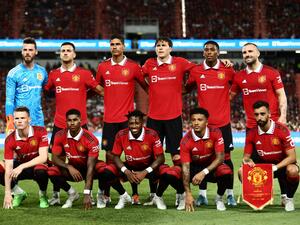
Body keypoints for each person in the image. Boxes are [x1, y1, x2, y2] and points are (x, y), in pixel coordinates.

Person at [45, 42, 103, 204]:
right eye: (63, 51)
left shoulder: (84, 74)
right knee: (55, 160)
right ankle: (57, 195)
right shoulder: (54, 74)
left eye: (68, 51)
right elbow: (45, 89)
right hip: (59, 124)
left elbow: (100, 90)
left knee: (86, 161)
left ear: (74, 54)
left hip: (80, 124)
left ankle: (88, 193)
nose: (65, 53)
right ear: (60, 54)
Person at [96, 34, 147, 205]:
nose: (115, 47)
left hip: (127, 120)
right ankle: (107, 194)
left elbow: (146, 85)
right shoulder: (103, 67)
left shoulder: (133, 67)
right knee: (109, 158)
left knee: (132, 157)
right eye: (112, 44)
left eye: (118, 44)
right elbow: (97, 86)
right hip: (109, 120)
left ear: (123, 47)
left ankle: (135, 195)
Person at [142, 37, 195, 202]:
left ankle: (181, 193)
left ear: (170, 48)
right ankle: (153, 195)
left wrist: (187, 88)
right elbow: (136, 75)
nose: (160, 48)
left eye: (163, 45)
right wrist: (147, 88)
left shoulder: (180, 62)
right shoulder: (149, 64)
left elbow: (198, 71)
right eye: (158, 45)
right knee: (152, 157)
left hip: (173, 117)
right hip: (154, 118)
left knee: (177, 157)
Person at [186, 40, 236, 206]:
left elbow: (238, 85)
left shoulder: (228, 70)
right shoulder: (196, 71)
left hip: (222, 123)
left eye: (212, 49)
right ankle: (202, 195)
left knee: (226, 159)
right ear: (203, 53)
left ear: (218, 52)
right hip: (203, 125)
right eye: (206, 49)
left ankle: (229, 194)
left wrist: (227, 100)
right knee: (202, 159)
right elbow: (186, 88)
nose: (209, 52)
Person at [97, 110, 173, 210]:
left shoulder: (152, 134)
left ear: (142, 123)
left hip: (148, 167)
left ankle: (157, 196)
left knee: (167, 172)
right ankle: (123, 195)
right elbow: (115, 156)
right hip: (130, 166)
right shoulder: (121, 134)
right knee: (106, 171)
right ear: (128, 123)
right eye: (131, 123)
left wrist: (145, 171)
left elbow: (160, 158)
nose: (134, 126)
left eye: (137, 123)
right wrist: (126, 171)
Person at [238, 100, 299, 212]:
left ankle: (289, 199)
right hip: (263, 168)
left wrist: (275, 168)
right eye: (256, 114)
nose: (259, 117)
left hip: (281, 165)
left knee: (293, 171)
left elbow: (292, 157)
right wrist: (247, 161)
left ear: (269, 114)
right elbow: (246, 157)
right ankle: (256, 197)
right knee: (242, 171)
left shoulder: (282, 130)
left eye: (262, 114)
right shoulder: (251, 133)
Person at [181, 108, 233, 212]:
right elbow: (186, 168)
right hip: (194, 169)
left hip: (211, 168)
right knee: (177, 172)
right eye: (193, 120)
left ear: (206, 122)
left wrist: (204, 172)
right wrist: (188, 193)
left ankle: (219, 198)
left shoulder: (216, 132)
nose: (196, 123)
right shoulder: (185, 140)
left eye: (200, 120)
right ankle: (183, 197)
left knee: (226, 172)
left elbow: (220, 158)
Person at [47, 109, 101, 209]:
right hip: (74, 169)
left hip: (90, 170)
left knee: (105, 169)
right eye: (69, 120)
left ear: (80, 120)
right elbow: (54, 158)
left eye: (75, 120)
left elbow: (90, 167)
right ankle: (72, 193)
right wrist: (68, 166)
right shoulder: (59, 135)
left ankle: (103, 195)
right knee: (51, 171)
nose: (72, 123)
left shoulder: (90, 139)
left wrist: (86, 193)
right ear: (66, 121)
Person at [1, 106, 49, 209]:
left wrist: (22, 166)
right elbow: (9, 167)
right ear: (13, 120)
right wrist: (8, 193)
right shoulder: (10, 139)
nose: (19, 121)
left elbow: (43, 157)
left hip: (38, 165)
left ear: (29, 119)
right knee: (1, 167)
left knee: (41, 171)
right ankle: (18, 193)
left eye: (23, 118)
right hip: (21, 168)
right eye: (17, 118)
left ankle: (43, 196)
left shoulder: (40, 131)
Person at [231, 42, 287, 129]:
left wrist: (283, 116)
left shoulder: (272, 72)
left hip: (272, 123)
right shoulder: (238, 76)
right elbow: (229, 97)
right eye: (244, 52)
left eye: (250, 51)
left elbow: (281, 95)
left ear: (258, 53)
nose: (247, 54)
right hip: (252, 125)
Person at [5, 37, 48, 134]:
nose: (27, 52)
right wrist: (10, 121)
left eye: (30, 50)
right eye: (25, 50)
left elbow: (47, 91)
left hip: (38, 121)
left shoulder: (42, 72)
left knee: (40, 149)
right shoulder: (13, 73)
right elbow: (9, 100)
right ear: (21, 51)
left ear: (36, 52)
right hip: (20, 121)